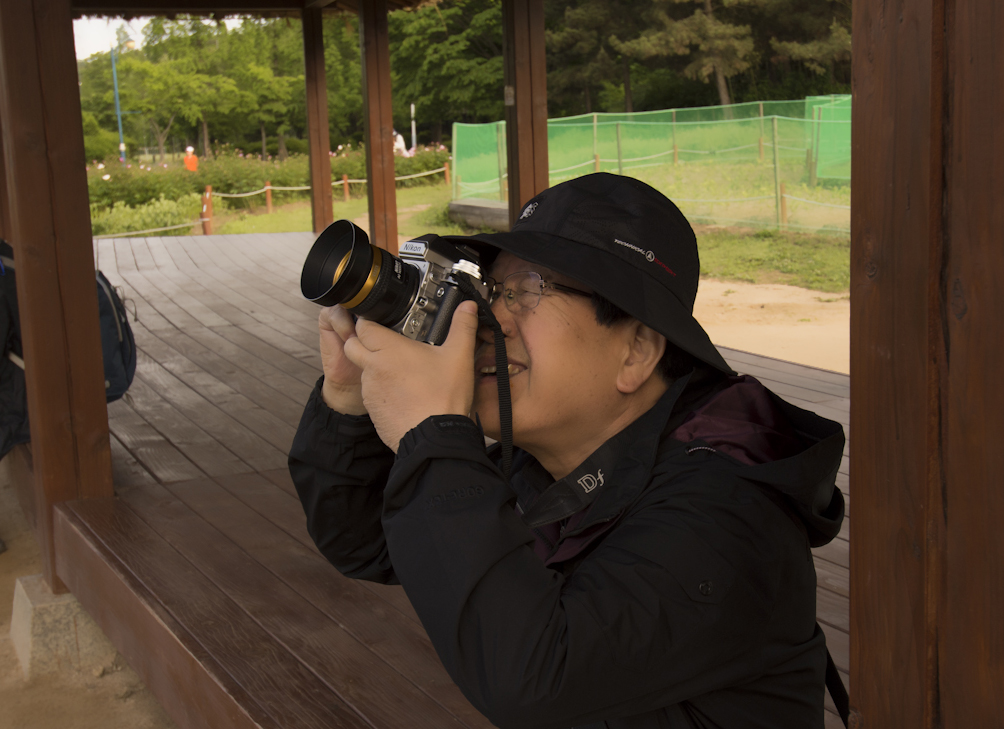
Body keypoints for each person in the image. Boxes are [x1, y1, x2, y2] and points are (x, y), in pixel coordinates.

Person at [288, 173, 845, 728]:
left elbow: (530, 677)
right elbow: (365, 542)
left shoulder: (727, 515)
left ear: (636, 351)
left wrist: (432, 432)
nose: (488, 320)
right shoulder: (546, 471)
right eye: (492, 290)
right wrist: (348, 402)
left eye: (527, 290)